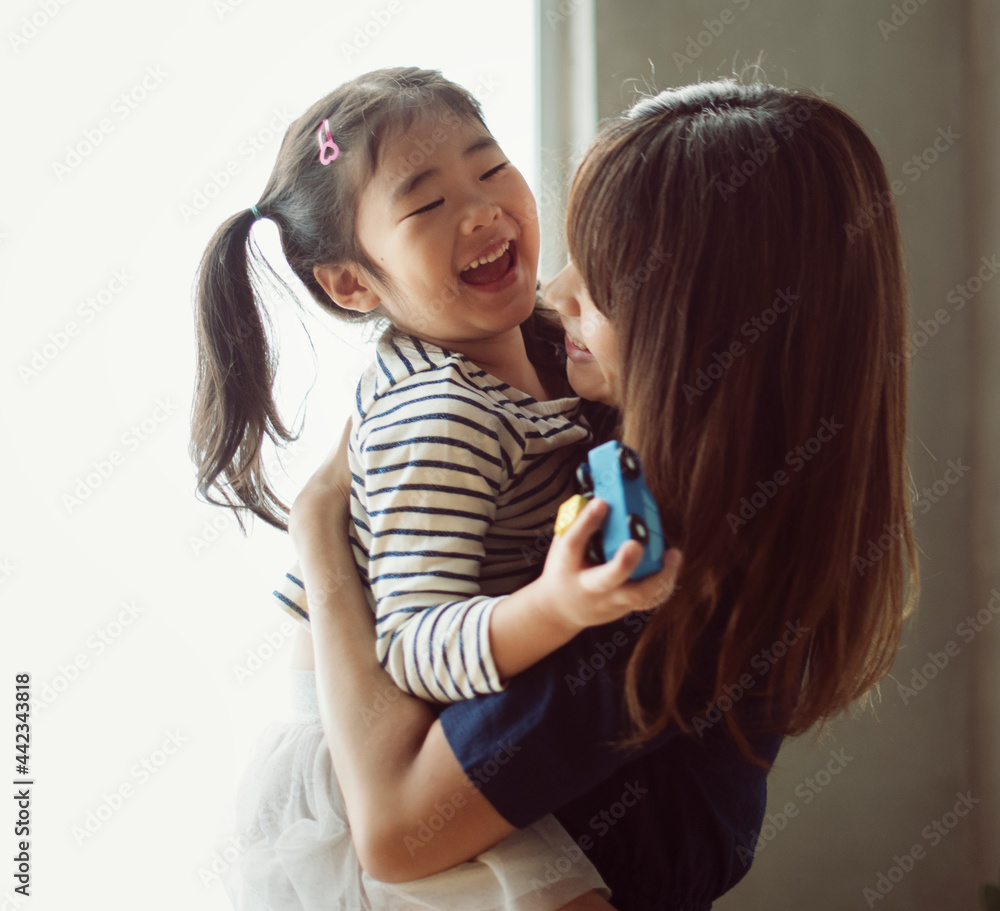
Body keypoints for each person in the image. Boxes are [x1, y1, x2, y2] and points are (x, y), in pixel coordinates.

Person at [286, 78, 919, 911]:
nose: (556, 294)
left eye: (610, 278)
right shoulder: (746, 495)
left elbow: (400, 831)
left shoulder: (633, 575)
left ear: (702, 330)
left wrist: (318, 531)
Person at [190, 66, 681, 910]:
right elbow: (416, 644)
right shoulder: (444, 414)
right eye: (425, 205)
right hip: (368, 749)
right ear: (352, 284)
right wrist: (556, 606)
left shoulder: (521, 340)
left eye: (489, 169)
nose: (484, 210)